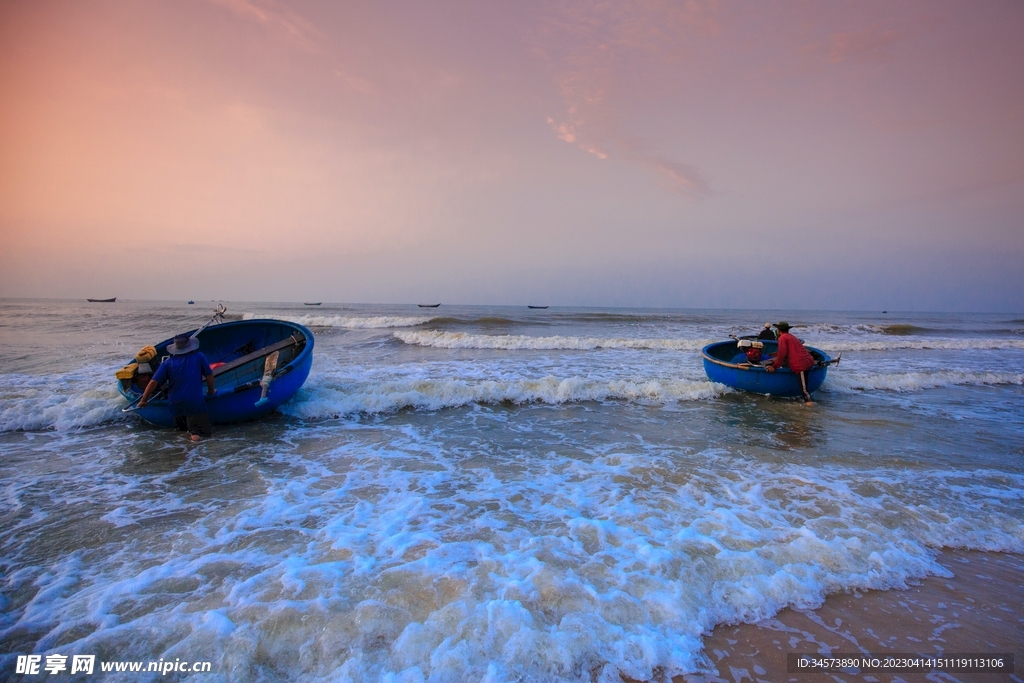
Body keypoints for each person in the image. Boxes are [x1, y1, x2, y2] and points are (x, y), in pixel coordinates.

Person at [139, 333, 216, 440]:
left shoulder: (167, 363)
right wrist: (211, 390)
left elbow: (153, 382)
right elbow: (209, 375)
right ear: (190, 346)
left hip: (175, 403)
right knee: (198, 435)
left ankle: (183, 453)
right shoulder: (199, 357)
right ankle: (195, 454)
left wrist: (144, 400)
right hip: (194, 402)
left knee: (183, 433)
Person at [765, 321, 815, 405]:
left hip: (801, 364)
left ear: (778, 330)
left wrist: (774, 366)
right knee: (804, 385)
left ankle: (809, 408)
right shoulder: (791, 337)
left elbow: (782, 354)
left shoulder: (782, 338)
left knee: (804, 390)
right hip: (808, 361)